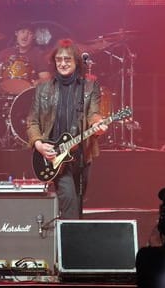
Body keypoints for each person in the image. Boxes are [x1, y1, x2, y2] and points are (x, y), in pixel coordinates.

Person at [27, 38, 107, 219]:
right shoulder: (43, 89)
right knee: (70, 203)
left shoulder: (89, 86)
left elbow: (93, 113)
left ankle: (70, 243)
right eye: (59, 60)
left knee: (78, 204)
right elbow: (32, 122)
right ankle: (69, 243)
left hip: (81, 154)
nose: (62, 64)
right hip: (55, 155)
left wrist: (97, 124)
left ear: (76, 61)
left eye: (67, 60)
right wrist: (39, 144)